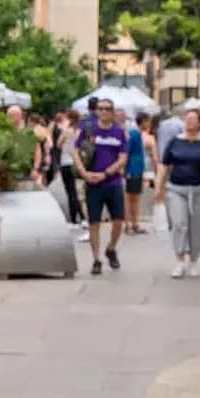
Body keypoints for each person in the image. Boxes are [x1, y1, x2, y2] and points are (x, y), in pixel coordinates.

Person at [155, 110, 200, 278]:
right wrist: (159, 186)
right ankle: (179, 260)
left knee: (197, 227)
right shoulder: (174, 142)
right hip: (177, 188)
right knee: (179, 223)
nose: (189, 122)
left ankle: (193, 260)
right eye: (187, 119)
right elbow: (164, 165)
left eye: (193, 119)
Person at [73, 98, 127, 275]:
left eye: (107, 109)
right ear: (96, 111)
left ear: (112, 111)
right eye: (100, 108)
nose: (104, 111)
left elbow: (123, 158)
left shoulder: (119, 132)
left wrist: (106, 173)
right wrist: (84, 173)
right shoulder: (88, 130)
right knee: (94, 223)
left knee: (118, 221)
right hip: (92, 183)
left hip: (112, 182)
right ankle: (96, 259)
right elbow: (75, 151)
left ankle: (111, 248)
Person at [56, 111, 83, 226]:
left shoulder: (67, 131)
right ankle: (82, 216)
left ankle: (73, 220)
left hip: (66, 162)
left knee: (70, 191)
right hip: (77, 163)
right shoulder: (80, 131)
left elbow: (58, 144)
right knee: (75, 191)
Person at [124, 113, 146, 234]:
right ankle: (130, 223)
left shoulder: (135, 134)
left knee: (134, 197)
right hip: (133, 169)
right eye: (147, 121)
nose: (148, 124)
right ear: (142, 122)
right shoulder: (134, 134)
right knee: (131, 197)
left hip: (135, 169)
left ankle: (133, 223)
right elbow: (127, 151)